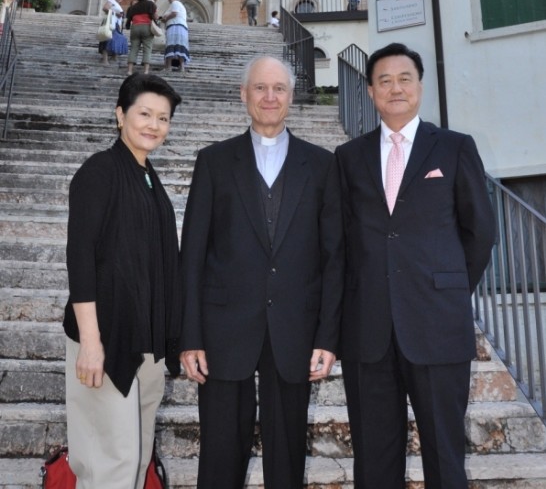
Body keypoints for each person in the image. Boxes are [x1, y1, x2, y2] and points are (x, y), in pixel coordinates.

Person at [332, 42, 496, 489]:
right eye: (384, 81)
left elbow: (480, 233)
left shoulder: (455, 148)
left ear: (420, 87)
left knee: (445, 456)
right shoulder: (348, 158)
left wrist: (448, 288)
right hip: (368, 332)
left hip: (437, 325)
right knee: (373, 460)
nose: (395, 88)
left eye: (405, 79)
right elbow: (340, 243)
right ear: (370, 91)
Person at [179, 55, 344, 489]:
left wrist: (328, 337)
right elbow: (192, 255)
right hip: (222, 331)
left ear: (292, 97)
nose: (270, 97)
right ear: (243, 94)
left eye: (279, 88)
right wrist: (190, 336)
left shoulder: (322, 165)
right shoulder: (213, 161)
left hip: (295, 330)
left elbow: (334, 259)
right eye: (260, 88)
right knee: (219, 459)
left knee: (287, 461)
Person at [63, 73, 182, 488]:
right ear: (120, 115)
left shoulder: (148, 177)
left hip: (145, 347)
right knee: (112, 462)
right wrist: (90, 342)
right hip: (107, 340)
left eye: (163, 118)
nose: (154, 125)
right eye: (144, 114)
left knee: (136, 458)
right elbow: (80, 257)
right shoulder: (99, 171)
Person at [125, 0, 159, 75]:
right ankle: (146, 71)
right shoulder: (150, 4)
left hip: (135, 27)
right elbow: (155, 16)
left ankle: (129, 70)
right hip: (147, 27)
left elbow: (129, 18)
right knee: (147, 49)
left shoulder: (133, 7)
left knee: (134, 48)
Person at [161, 0, 190, 73]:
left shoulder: (175, 3)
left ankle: (169, 67)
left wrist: (165, 19)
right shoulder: (180, 5)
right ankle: (182, 67)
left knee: (171, 45)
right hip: (181, 27)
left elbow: (174, 14)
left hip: (175, 26)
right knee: (180, 46)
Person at [98, 0, 128, 66]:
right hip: (110, 24)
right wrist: (116, 14)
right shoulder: (111, 0)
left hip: (116, 25)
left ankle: (114, 57)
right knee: (107, 40)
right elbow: (105, 8)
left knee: (118, 39)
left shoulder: (117, 4)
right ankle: (105, 59)